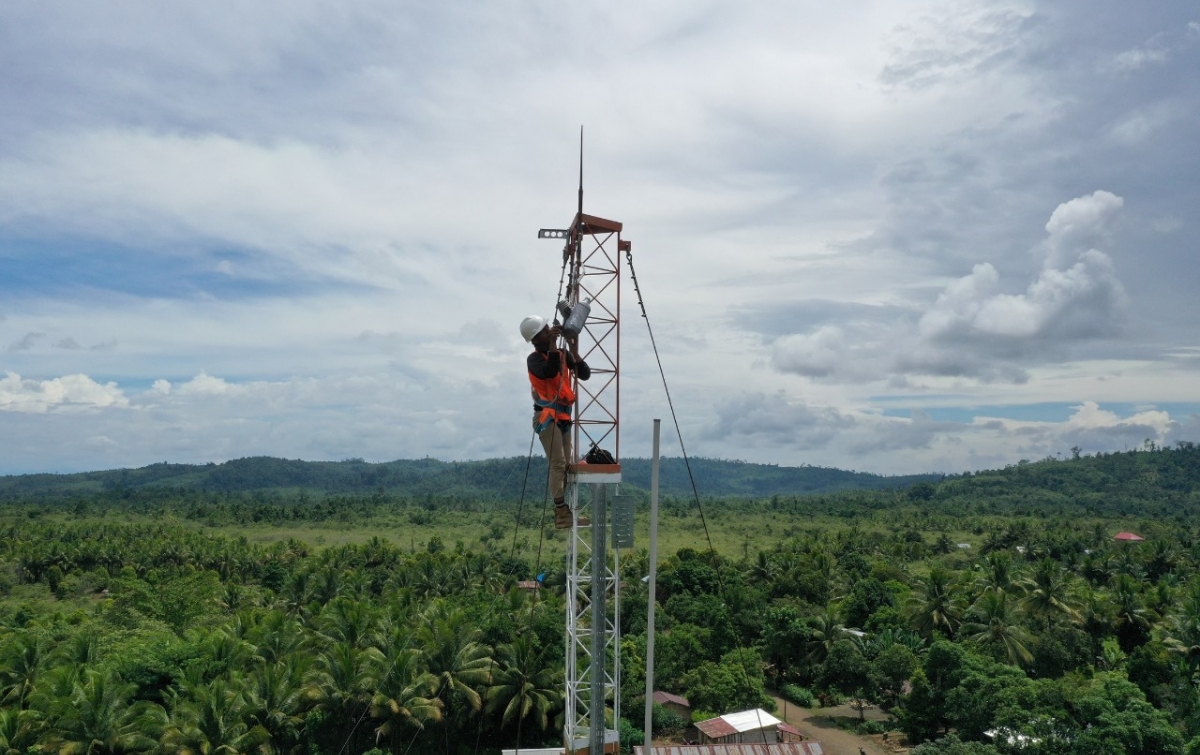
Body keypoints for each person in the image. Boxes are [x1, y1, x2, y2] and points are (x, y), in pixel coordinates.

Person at [520, 315, 591, 528]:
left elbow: (584, 374)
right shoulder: (534, 359)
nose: (550, 331)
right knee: (558, 463)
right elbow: (549, 371)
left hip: (562, 416)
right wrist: (553, 345)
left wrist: (574, 352)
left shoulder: (560, 354)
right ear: (536, 338)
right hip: (547, 416)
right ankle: (561, 511)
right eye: (545, 331)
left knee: (567, 464)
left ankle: (566, 511)